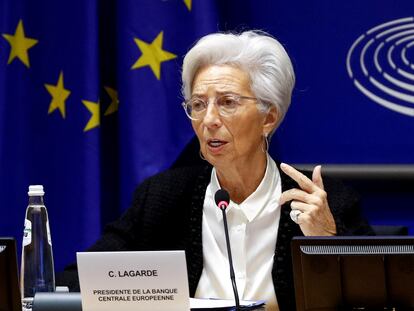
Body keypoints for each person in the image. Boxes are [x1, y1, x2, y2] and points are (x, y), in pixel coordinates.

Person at [57, 31, 373, 311]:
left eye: (227, 103)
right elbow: (79, 281)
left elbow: (373, 298)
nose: (208, 120)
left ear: (268, 118)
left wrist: (326, 241)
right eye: (197, 104)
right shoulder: (163, 199)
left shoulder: (324, 202)